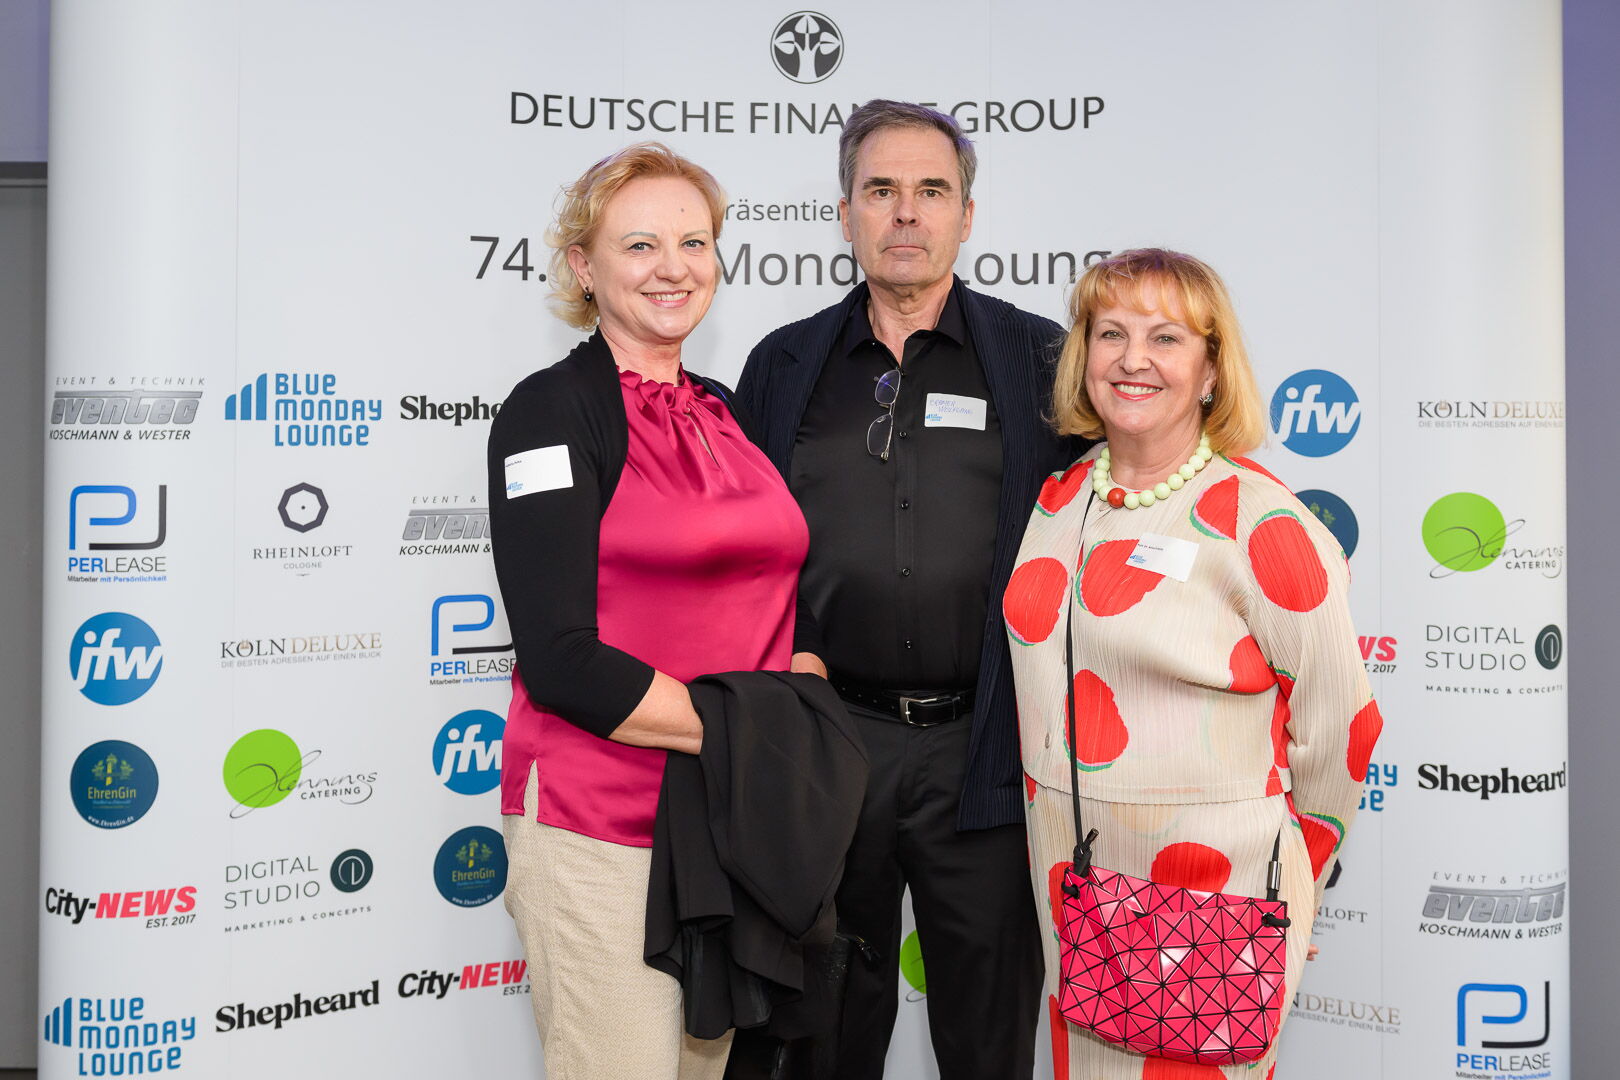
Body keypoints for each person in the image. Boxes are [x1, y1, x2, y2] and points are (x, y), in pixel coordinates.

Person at [736, 100, 1074, 1079]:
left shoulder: (1040, 358)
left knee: (988, 1036)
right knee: (825, 1032)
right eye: (881, 190)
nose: (907, 212)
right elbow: (747, 549)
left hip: (987, 749)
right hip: (830, 744)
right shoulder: (783, 364)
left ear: (968, 216)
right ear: (845, 212)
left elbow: (1115, 511)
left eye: (932, 190)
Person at [487, 142, 823, 1080]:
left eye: (694, 242)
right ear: (583, 268)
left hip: (725, 823)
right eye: (639, 245)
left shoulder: (723, 410)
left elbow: (782, 589)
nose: (673, 267)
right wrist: (759, 735)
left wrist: (799, 704)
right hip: (603, 823)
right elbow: (560, 658)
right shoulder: (549, 414)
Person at [1004, 248, 1383, 1078]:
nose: (1132, 359)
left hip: (1210, 894)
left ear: (1211, 371)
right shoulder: (1061, 496)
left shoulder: (1262, 520)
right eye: (1111, 333)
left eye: (1166, 338)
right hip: (1073, 883)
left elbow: (1341, 725)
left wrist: (1294, 871)